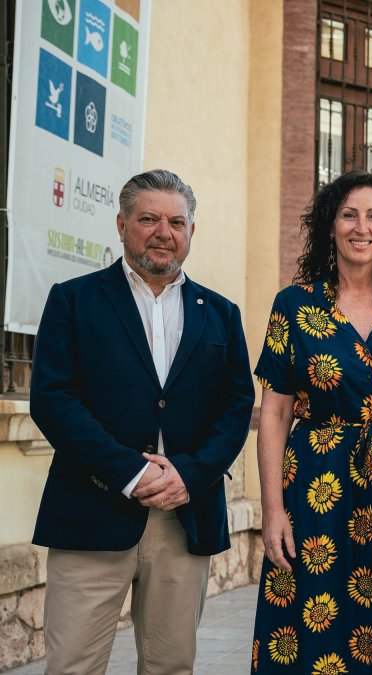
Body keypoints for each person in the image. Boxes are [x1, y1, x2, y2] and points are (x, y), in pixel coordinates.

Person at [30, 168, 254, 673]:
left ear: (191, 232)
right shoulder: (73, 300)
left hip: (184, 518)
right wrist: (131, 472)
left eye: (176, 221)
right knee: (72, 667)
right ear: (121, 224)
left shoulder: (221, 314)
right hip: (91, 511)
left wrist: (189, 475)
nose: (163, 232)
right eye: (148, 218)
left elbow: (236, 407)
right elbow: (53, 400)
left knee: (170, 667)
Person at [252, 171, 372, 673]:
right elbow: (274, 410)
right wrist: (272, 509)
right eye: (349, 214)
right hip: (318, 489)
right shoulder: (294, 307)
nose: (361, 227)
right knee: (313, 620)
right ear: (330, 225)